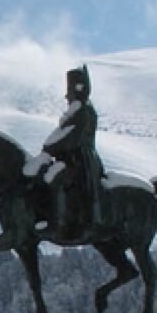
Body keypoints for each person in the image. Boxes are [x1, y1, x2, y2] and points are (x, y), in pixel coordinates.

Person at [41, 64, 106, 238]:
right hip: (74, 157)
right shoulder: (76, 111)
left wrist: (50, 148)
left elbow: (71, 137)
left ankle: (60, 222)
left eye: (69, 90)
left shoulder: (82, 111)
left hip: (80, 159)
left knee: (56, 179)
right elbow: (62, 134)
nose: (66, 95)